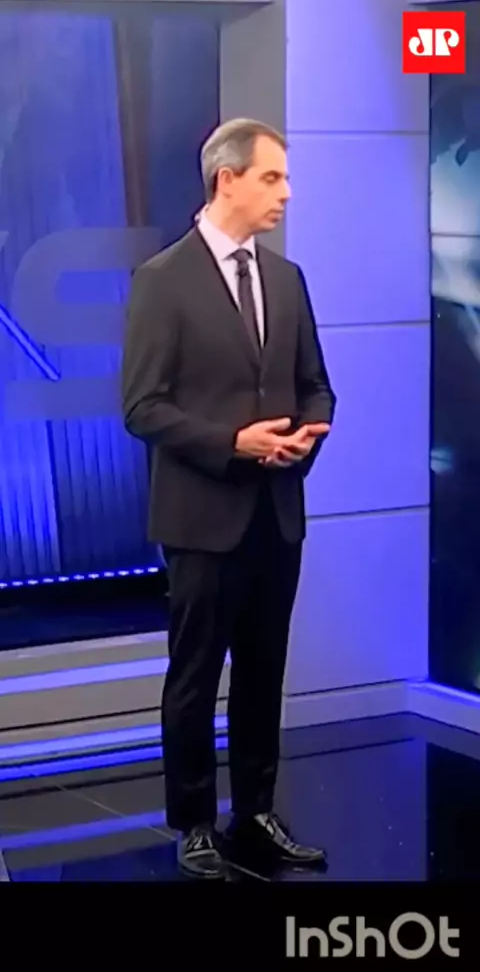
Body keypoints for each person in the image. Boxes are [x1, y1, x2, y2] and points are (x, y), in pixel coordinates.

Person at [122, 118, 336, 879]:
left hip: (276, 512)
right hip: (202, 518)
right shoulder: (163, 280)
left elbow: (316, 385)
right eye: (273, 177)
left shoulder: (287, 278)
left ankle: (256, 813)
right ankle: (193, 823)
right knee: (195, 677)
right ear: (227, 180)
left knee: (263, 672)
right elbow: (142, 407)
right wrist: (233, 442)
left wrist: (306, 435)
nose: (286, 193)